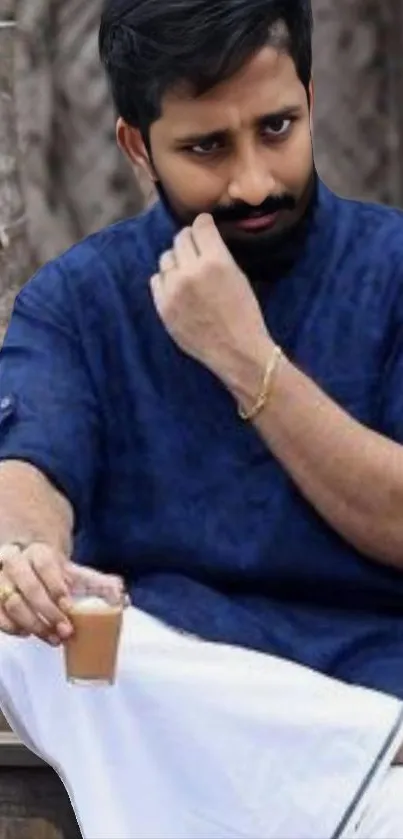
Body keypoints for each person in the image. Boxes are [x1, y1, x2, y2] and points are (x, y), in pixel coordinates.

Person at [1, 0, 403, 829]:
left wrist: (245, 359)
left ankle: (344, 758)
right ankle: (339, 759)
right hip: (173, 690)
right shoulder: (78, 301)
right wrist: (26, 555)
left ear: (312, 98)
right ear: (135, 146)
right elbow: (28, 470)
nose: (253, 180)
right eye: (206, 147)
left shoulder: (392, 270)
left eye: (277, 127)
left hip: (370, 677)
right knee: (24, 630)